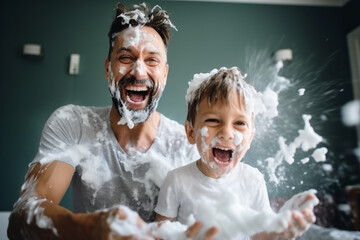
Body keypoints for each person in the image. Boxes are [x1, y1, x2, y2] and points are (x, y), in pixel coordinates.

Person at [7, 3, 218, 240]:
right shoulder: (73, 124)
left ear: (165, 74)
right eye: (126, 57)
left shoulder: (186, 147)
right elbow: (22, 217)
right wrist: (86, 228)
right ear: (108, 69)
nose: (139, 72)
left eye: (151, 61)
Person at [154, 67, 319, 239]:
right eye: (212, 120)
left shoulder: (253, 180)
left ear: (251, 137)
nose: (226, 132)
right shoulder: (176, 181)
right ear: (190, 133)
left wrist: (280, 229)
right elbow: (161, 234)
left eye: (239, 123)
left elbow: (260, 235)